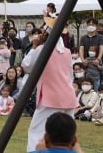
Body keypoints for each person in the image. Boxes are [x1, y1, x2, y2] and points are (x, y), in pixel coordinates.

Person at [22, 20, 77, 152]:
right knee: (67, 133)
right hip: (68, 96)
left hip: (50, 97)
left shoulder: (42, 50)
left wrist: (34, 46)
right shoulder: (67, 52)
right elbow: (70, 75)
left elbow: (26, 65)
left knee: (37, 131)